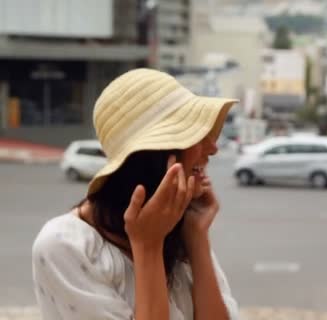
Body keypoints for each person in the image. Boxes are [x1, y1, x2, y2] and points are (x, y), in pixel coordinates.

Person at [32, 68, 240, 320]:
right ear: (155, 154)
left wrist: (197, 237)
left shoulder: (177, 224)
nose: (213, 147)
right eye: (196, 135)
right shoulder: (65, 245)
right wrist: (149, 246)